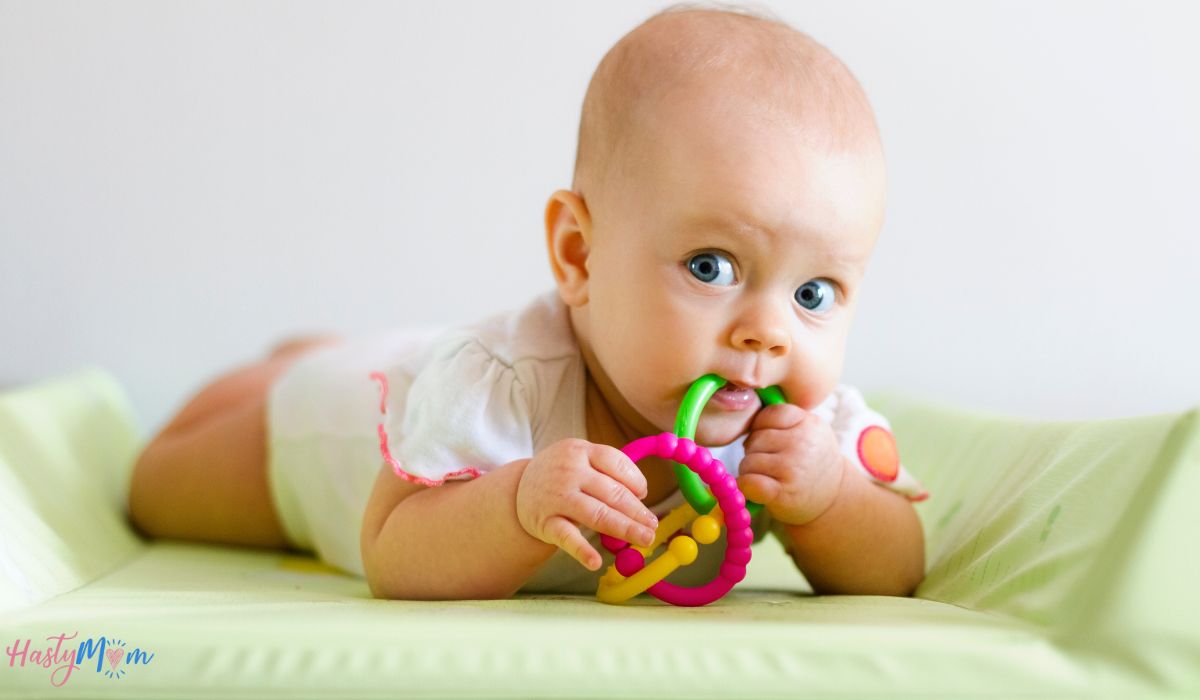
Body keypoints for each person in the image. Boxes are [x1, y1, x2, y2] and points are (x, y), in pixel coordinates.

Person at [128, 4, 928, 602]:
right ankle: (296, 364)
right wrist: (513, 504)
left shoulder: (805, 436)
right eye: (711, 266)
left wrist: (830, 502)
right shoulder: (500, 387)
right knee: (156, 488)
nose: (767, 331)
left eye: (814, 293)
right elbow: (390, 548)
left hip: (428, 358)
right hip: (335, 433)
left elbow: (900, 566)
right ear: (578, 256)